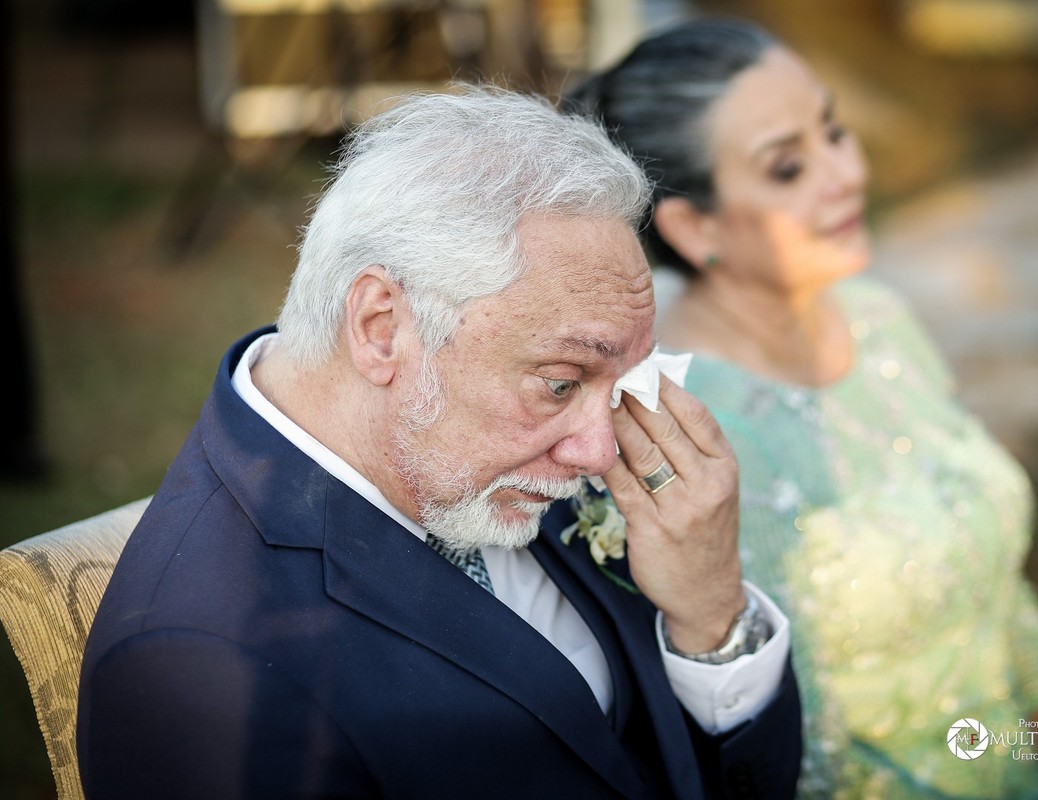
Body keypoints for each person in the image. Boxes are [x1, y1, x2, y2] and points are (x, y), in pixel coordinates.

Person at [77, 87, 804, 799]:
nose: (601, 453)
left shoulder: (474, 446)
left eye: (620, 386)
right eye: (560, 382)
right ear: (381, 327)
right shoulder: (205, 669)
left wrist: (711, 617)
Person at [565, 18, 1038, 800]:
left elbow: (993, 585)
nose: (845, 172)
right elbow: (769, 745)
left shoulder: (879, 318)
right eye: (788, 167)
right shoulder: (681, 437)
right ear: (693, 227)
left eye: (835, 130)